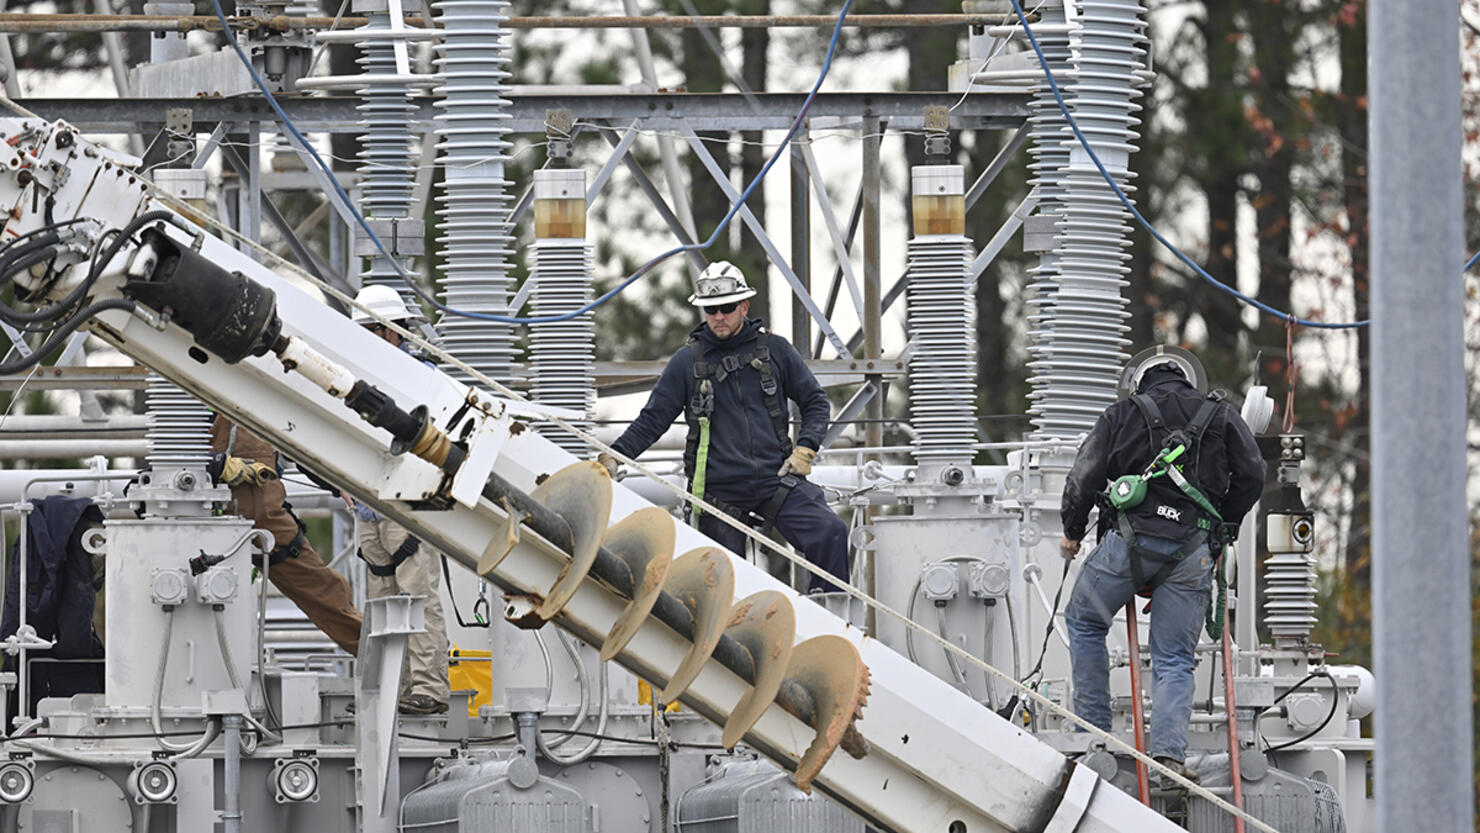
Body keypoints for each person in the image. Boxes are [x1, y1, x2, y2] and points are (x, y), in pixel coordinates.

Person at [1058, 356, 1265, 784]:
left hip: (1130, 546)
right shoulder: (1221, 413)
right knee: (1174, 658)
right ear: (1189, 379)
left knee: (1084, 620)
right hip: (1194, 551)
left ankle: (1093, 736)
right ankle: (1169, 757)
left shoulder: (1121, 414)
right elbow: (1253, 473)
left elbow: (1084, 475)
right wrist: (1226, 521)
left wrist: (1073, 530)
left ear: (1138, 383)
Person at [599, 261, 849, 593]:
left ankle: (832, 622)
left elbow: (816, 401)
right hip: (718, 493)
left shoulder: (775, 352)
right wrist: (614, 457)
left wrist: (806, 449)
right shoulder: (686, 363)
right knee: (721, 583)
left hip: (777, 481)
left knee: (829, 531)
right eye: (711, 309)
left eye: (727, 308)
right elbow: (652, 421)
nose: (719, 316)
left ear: (744, 306)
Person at [346, 284, 450, 715]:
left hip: (408, 505)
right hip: (370, 503)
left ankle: (428, 689)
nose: (367, 338)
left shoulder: (420, 377)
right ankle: (397, 690)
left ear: (392, 332)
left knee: (416, 596)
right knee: (384, 603)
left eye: (372, 329)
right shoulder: (357, 375)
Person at [208, 416, 364, 656]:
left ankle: (388, 663)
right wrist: (215, 463)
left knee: (323, 590)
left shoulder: (251, 396)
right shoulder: (199, 394)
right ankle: (388, 662)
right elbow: (175, 450)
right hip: (204, 516)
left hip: (261, 521)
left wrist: (335, 481)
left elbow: (296, 439)